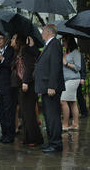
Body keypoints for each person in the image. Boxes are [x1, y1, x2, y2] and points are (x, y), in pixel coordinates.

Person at [33, 24, 65, 153]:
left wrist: (52, 86)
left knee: (53, 116)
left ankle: (56, 144)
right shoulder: (49, 45)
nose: (41, 34)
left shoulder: (55, 44)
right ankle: (52, 141)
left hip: (51, 87)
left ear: (48, 32)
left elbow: (55, 66)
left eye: (42, 32)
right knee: (48, 115)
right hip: (46, 87)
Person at [11, 34, 43, 146]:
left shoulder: (26, 51)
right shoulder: (18, 52)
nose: (12, 40)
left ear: (19, 41)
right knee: (24, 113)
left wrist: (25, 81)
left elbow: (30, 66)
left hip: (29, 85)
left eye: (14, 38)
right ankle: (28, 137)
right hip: (22, 85)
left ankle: (36, 139)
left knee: (29, 113)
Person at [0, 33, 16, 144]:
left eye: (1, 39)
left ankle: (10, 135)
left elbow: (10, 65)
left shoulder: (10, 50)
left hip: (8, 85)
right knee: (1, 111)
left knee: (8, 111)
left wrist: (2, 60)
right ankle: (4, 133)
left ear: (6, 40)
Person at [60, 35, 81, 131]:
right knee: (73, 102)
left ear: (70, 42)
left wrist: (66, 64)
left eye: (64, 41)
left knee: (63, 101)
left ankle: (65, 124)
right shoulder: (64, 52)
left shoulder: (75, 52)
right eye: (62, 40)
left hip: (73, 80)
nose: (63, 43)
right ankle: (75, 124)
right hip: (66, 80)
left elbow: (78, 67)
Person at [77, 54, 88, 118]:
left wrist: (83, 77)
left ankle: (84, 112)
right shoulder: (66, 53)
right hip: (69, 79)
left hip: (78, 78)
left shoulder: (79, 55)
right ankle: (70, 114)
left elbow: (83, 67)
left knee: (79, 96)